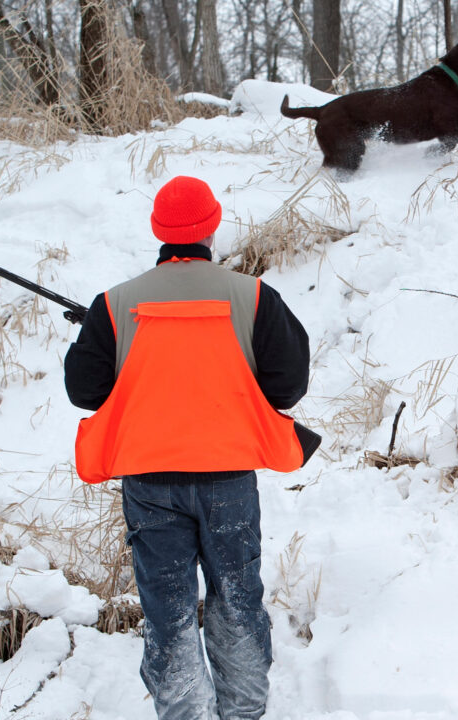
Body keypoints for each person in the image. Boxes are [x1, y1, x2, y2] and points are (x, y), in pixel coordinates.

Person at [64, 175, 312, 720]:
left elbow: (84, 390)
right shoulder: (252, 297)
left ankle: (185, 713)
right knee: (237, 597)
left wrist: (116, 346)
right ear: (212, 227)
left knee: (168, 608)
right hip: (227, 480)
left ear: (158, 230)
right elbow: (289, 383)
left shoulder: (114, 304)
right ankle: (244, 711)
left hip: (151, 485)